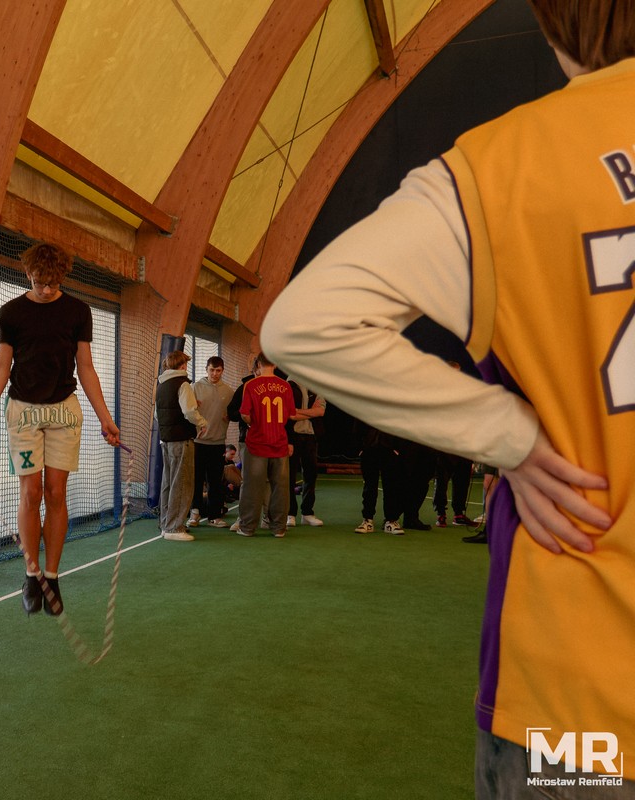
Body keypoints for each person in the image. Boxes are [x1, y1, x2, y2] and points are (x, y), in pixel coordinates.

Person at [261, 2, 627, 792]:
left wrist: (509, 432)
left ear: (553, 21)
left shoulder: (502, 164)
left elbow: (304, 323)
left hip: (577, 685)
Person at [0, 243, 120, 616]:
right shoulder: (11, 313)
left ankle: (52, 575)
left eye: (53, 283)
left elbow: (86, 367)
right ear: (27, 274)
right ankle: (31, 575)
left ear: (62, 277)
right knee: (31, 492)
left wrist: (106, 417)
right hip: (23, 412)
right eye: (39, 282)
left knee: (56, 493)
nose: (46, 290)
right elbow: (1, 368)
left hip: (64, 411)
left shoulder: (78, 311)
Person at [232, 352, 295, 538]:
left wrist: (255, 423)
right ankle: (279, 528)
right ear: (275, 364)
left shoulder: (251, 385)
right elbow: (291, 414)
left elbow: (244, 414)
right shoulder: (286, 386)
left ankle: (247, 528)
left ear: (258, 364)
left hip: (257, 443)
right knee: (280, 488)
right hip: (279, 443)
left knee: (252, 487)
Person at [156, 351, 208, 541]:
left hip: (166, 439)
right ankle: (175, 528)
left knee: (168, 483)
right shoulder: (183, 384)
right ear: (183, 365)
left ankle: (165, 524)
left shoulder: (161, 385)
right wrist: (202, 423)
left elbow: (158, 415)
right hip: (181, 439)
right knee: (182, 483)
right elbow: (189, 412)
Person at [188, 356, 233, 528]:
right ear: (206, 369)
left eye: (218, 370)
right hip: (198, 442)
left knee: (215, 482)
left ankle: (215, 516)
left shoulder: (229, 392)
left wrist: (231, 416)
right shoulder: (195, 388)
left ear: (223, 371)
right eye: (212, 370)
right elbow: (187, 411)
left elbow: (236, 412)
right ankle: (194, 513)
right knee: (196, 480)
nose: (215, 373)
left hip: (218, 443)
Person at [353, 420, 406, 535]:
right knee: (369, 487)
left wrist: (397, 448)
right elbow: (358, 424)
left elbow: (400, 424)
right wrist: (361, 448)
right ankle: (367, 520)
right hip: (369, 449)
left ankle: (391, 521)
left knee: (391, 486)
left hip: (389, 450)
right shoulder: (367, 410)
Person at [286, 378, 326, 526]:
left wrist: (299, 412)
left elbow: (320, 411)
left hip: (311, 436)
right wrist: (311, 412)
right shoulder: (289, 384)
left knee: (311, 474)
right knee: (290, 476)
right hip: (293, 436)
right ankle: (290, 514)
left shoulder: (316, 385)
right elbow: (290, 415)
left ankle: (307, 513)